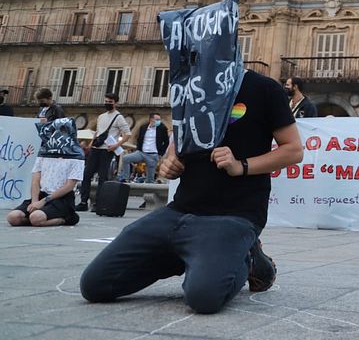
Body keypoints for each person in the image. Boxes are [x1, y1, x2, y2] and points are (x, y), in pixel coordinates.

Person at [80, 69, 303, 314]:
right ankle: (194, 257)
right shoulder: (188, 88)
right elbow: (178, 141)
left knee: (203, 297)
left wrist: (241, 166)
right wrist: (170, 161)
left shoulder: (263, 87)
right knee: (94, 285)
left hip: (235, 215)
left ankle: (248, 258)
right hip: (180, 210)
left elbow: (293, 150)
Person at [7, 118, 84, 227]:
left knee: (36, 218)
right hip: (42, 194)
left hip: (61, 198)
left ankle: (65, 219)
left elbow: (69, 186)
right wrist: (34, 201)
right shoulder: (44, 152)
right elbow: (35, 180)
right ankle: (36, 219)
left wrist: (43, 201)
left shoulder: (77, 156)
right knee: (13, 217)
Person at [77, 92, 131, 212]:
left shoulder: (119, 117)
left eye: (110, 102)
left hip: (107, 150)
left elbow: (127, 134)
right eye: (106, 101)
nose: (107, 103)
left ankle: (98, 203)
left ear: (115, 103)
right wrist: (91, 144)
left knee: (103, 177)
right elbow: (98, 132)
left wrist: (116, 145)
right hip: (96, 148)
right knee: (86, 175)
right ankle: (83, 201)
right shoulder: (101, 116)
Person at [118, 113, 169, 183]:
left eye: (159, 120)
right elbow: (139, 139)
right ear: (151, 119)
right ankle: (125, 178)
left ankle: (149, 185)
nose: (159, 121)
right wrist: (138, 148)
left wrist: (160, 153)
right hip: (141, 153)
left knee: (150, 179)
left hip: (153, 155)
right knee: (126, 158)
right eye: (157, 119)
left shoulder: (162, 128)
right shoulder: (143, 127)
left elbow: (166, 142)